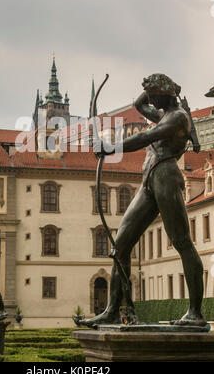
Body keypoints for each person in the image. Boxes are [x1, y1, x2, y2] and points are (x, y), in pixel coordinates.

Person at [81, 73, 206, 328]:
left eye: (153, 94)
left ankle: (195, 312)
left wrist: (109, 147)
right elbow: (138, 105)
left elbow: (143, 138)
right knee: (121, 245)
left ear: (165, 94)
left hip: (166, 177)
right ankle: (113, 311)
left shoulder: (177, 117)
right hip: (149, 178)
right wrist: (148, 86)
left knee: (182, 242)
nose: (150, 99)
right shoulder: (162, 113)